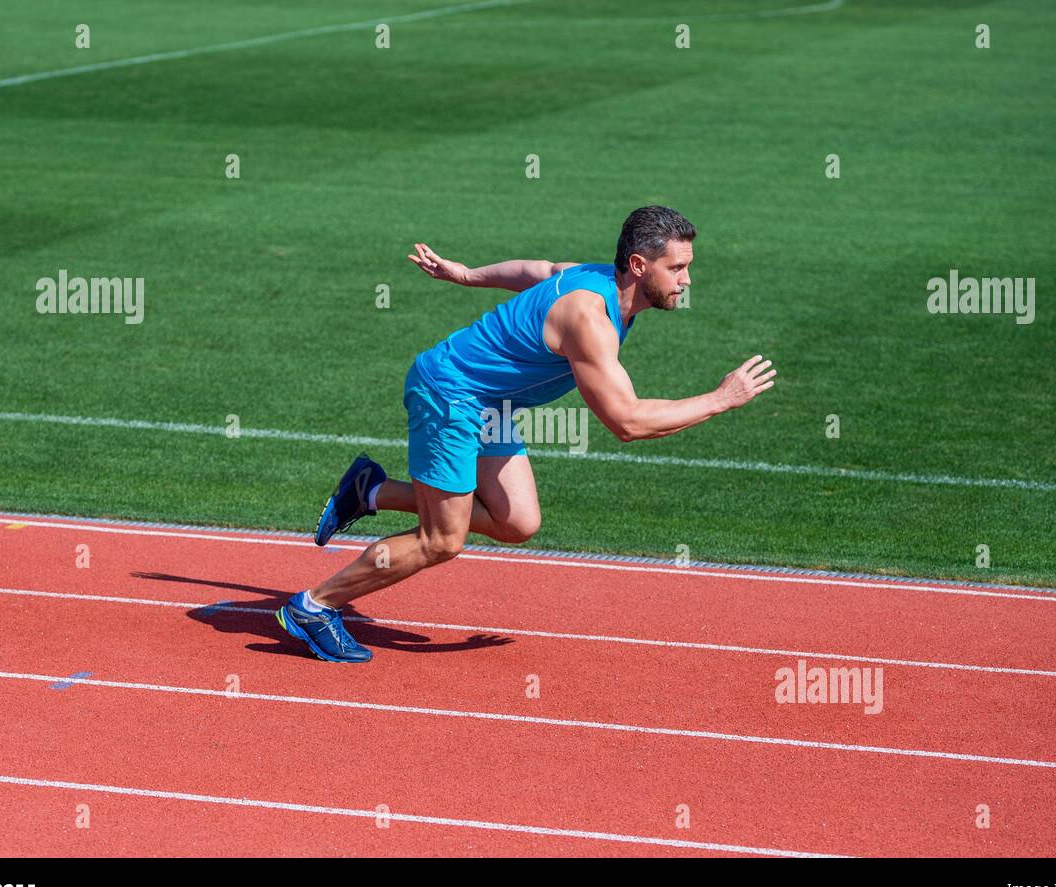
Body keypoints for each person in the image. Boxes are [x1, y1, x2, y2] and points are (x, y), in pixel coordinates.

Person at [275, 206, 776, 662]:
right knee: (441, 541)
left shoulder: (593, 276)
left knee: (517, 522)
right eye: (678, 268)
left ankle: (371, 490)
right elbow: (626, 422)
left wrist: (467, 275)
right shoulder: (591, 320)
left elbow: (537, 271)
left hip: (491, 402)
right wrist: (720, 398)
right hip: (451, 395)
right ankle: (312, 607)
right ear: (640, 266)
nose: (687, 280)